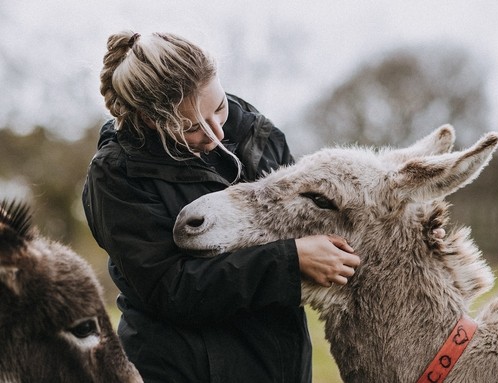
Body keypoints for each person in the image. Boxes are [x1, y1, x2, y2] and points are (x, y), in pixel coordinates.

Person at [82, 30, 360, 383]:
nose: (215, 136)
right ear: (152, 120)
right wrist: (291, 262)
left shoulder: (257, 133)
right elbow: (170, 288)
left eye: (219, 108)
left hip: (279, 366)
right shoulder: (116, 175)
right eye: (192, 127)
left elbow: (310, 219)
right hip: (181, 369)